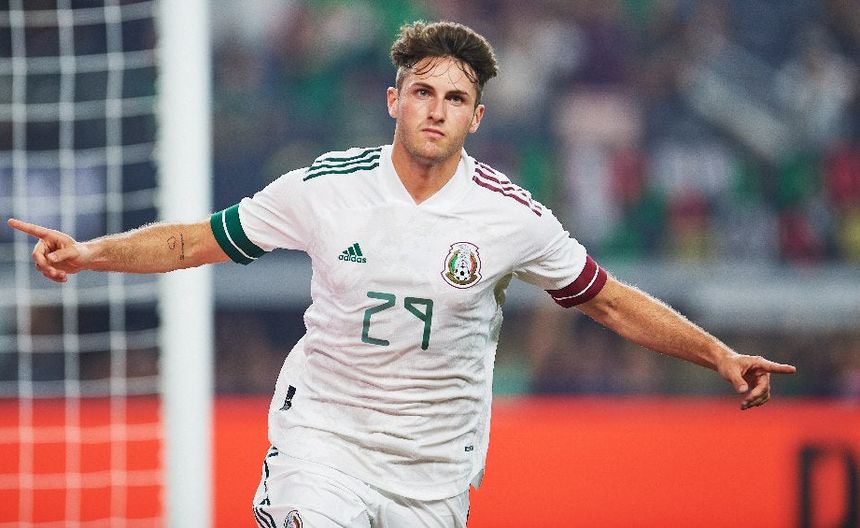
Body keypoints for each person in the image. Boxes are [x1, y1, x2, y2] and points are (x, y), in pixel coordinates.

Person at [7, 20, 796, 528]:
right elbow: (194, 243)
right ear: (394, 100)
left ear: (476, 117)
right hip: (324, 442)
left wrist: (719, 355)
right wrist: (92, 252)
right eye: (422, 91)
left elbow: (610, 303)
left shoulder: (511, 218)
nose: (436, 109)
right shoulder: (324, 189)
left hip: (434, 473)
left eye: (455, 98)